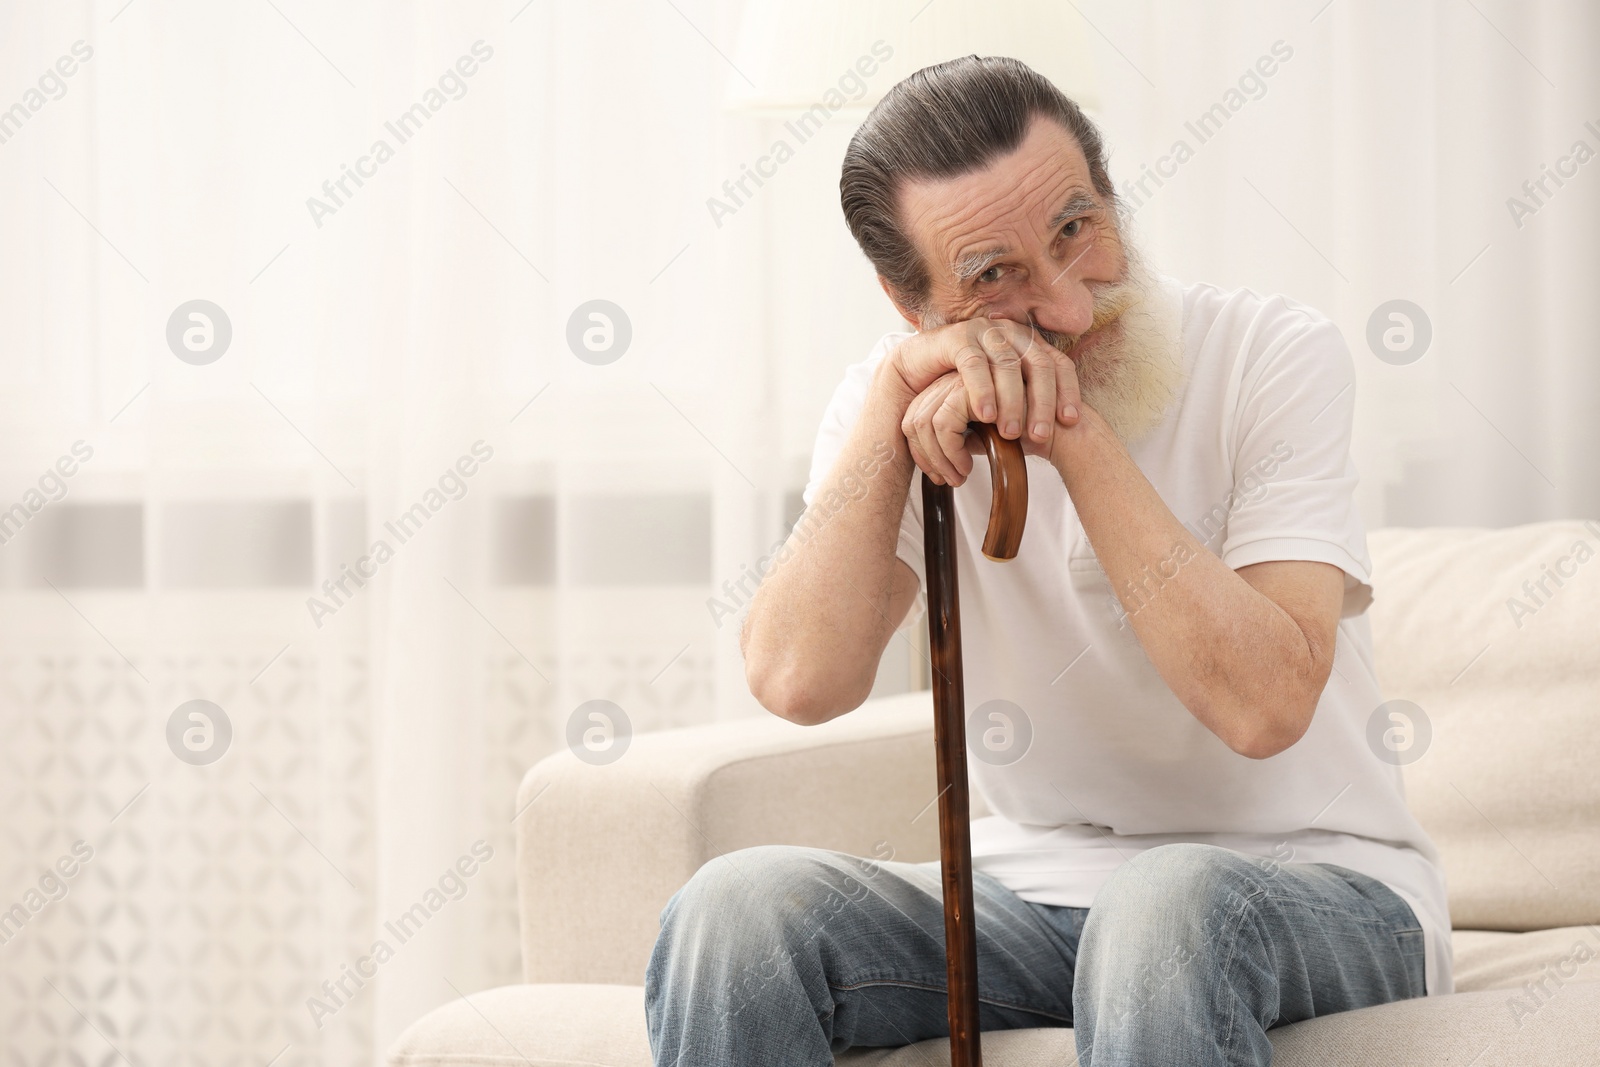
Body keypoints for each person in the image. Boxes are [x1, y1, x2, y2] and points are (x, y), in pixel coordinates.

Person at [645, 55, 1449, 1067]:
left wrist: (1070, 429)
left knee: (1160, 907)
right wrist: (892, 399)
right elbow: (799, 679)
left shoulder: (1271, 353)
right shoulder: (890, 402)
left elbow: (1263, 706)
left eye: (1076, 229)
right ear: (915, 306)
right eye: (994, 277)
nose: (1068, 306)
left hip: (1324, 888)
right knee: (735, 913)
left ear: (1111, 194)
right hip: (1032, 892)